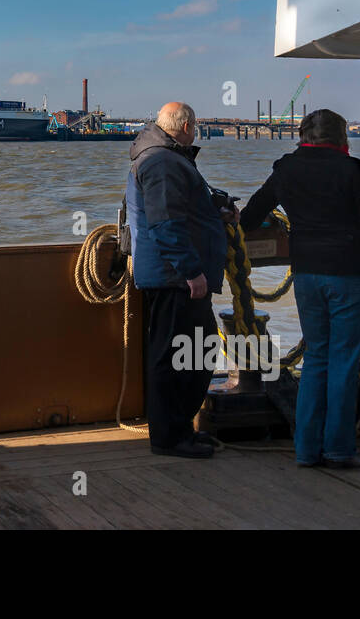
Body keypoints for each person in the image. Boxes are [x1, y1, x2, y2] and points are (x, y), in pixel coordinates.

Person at [238, 108, 360, 469]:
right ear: (341, 137)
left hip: (307, 275)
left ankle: (306, 450)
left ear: (302, 136)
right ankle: (340, 448)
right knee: (344, 361)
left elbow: (250, 215)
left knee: (316, 361)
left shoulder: (286, 169)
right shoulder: (354, 171)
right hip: (351, 275)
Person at [125, 102, 232, 458]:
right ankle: (170, 438)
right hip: (176, 277)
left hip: (178, 275)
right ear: (186, 126)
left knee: (194, 352)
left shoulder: (167, 158)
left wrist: (217, 210)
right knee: (177, 356)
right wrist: (190, 271)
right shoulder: (163, 162)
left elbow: (179, 210)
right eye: (196, 126)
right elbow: (165, 222)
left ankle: (180, 429)